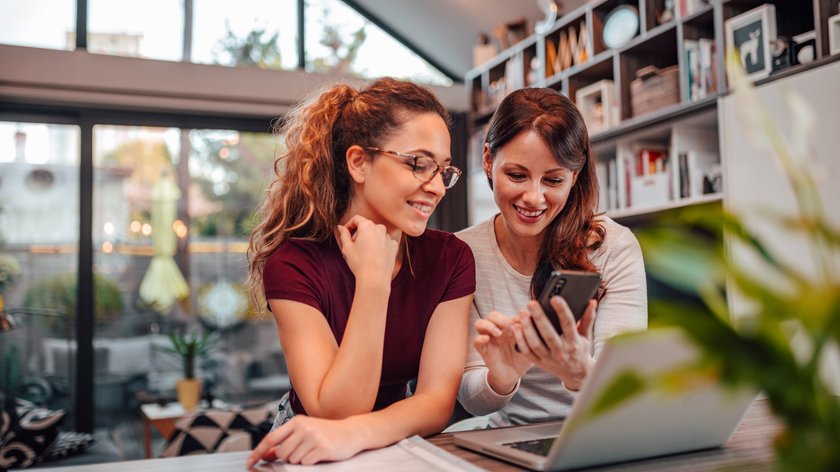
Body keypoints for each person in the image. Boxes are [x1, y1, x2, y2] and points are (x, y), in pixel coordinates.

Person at [244, 77, 475, 466]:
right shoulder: (293, 263)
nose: (436, 187)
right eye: (419, 164)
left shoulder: (450, 259)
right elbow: (333, 414)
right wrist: (373, 282)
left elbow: (435, 403)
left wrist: (364, 433)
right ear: (358, 162)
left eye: (444, 170)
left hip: (395, 437)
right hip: (312, 447)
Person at [456, 87, 647, 427]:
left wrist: (579, 373)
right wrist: (501, 376)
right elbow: (472, 400)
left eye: (553, 179)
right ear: (488, 160)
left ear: (575, 176)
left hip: (600, 431)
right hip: (508, 439)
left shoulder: (613, 247)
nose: (534, 198)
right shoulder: (462, 254)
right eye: (516, 175)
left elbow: (625, 392)